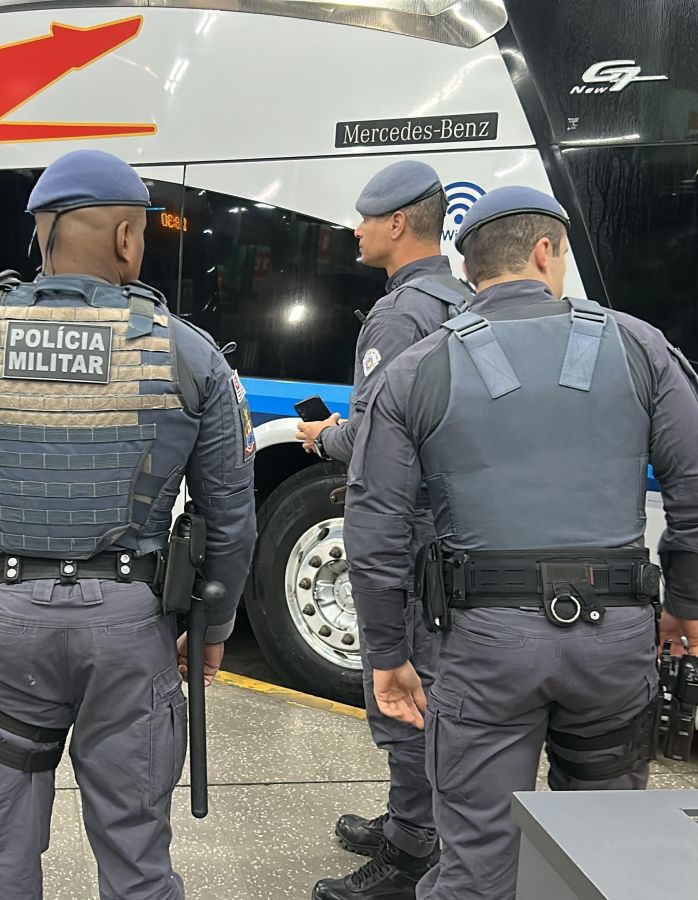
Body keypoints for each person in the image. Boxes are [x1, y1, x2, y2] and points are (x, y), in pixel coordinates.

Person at [343, 186, 698, 900]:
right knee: (605, 854)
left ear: (471, 271)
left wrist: (388, 657)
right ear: (546, 251)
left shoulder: (416, 368)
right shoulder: (640, 345)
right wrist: (682, 605)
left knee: (476, 861)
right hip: (617, 641)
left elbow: (375, 529)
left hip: (483, 646)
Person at [0, 149, 257, 900]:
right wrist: (210, 625)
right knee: (136, 853)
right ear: (127, 239)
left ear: (40, 234)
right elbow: (230, 517)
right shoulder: (186, 353)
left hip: (5, 626)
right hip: (132, 629)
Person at [298, 161, 473, 900]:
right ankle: (414, 819)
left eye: (366, 219)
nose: (358, 230)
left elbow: (379, 432)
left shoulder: (401, 314)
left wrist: (322, 439)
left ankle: (409, 856)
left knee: (400, 695)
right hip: (453, 532)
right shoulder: (461, 298)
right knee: (433, 691)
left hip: (408, 535)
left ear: (398, 223)